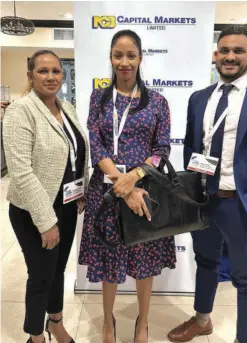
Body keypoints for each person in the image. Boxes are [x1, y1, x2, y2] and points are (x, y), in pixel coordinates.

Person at [167, 25, 247, 343]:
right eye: (225, 50)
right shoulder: (199, 99)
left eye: (239, 51)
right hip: (205, 203)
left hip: (245, 205)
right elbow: (193, 149)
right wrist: (191, 192)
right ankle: (202, 320)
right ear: (216, 55)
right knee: (205, 263)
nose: (230, 56)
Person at [79, 29, 176, 343]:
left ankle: (142, 322)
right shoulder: (99, 98)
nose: (124, 61)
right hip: (106, 192)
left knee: (144, 262)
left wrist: (134, 179)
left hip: (144, 190)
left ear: (140, 58)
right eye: (118, 55)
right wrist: (122, 185)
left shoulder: (158, 102)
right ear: (110, 58)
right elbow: (97, 146)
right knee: (110, 261)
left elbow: (162, 150)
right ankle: (108, 323)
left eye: (130, 55)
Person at [3, 50, 89, 343]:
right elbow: (21, 172)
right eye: (43, 71)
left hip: (65, 204)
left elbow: (76, 155)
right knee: (40, 275)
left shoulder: (67, 108)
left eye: (56, 71)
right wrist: (45, 221)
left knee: (58, 270)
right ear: (30, 76)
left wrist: (81, 189)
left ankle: (56, 322)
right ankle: (35, 335)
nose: (51, 77)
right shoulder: (20, 110)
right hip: (33, 210)